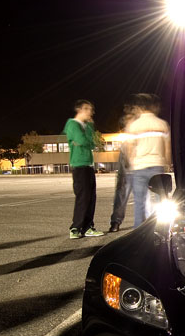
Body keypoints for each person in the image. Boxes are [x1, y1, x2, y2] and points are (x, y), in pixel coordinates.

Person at [126, 93, 172, 227]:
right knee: (162, 201)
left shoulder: (134, 126)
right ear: (152, 107)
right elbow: (167, 149)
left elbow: (130, 148)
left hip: (139, 167)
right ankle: (162, 228)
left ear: (140, 108)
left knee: (139, 203)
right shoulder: (162, 124)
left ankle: (138, 231)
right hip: (157, 166)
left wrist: (132, 162)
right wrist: (167, 164)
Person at [64, 99, 104, 239]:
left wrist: (90, 128)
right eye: (88, 109)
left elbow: (91, 143)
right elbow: (82, 141)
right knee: (83, 197)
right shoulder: (72, 124)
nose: (91, 112)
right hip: (79, 165)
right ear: (80, 109)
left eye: (91, 109)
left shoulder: (86, 126)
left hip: (88, 165)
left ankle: (87, 227)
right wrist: (85, 140)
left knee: (91, 198)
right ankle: (75, 228)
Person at [108, 103, 138, 232]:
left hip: (137, 168)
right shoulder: (129, 126)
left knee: (141, 198)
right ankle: (116, 222)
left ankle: (116, 222)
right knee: (121, 196)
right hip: (128, 170)